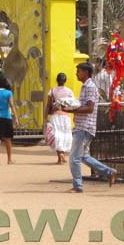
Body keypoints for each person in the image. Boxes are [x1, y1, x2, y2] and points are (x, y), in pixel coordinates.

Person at [65, 62, 117, 193]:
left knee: (74, 158)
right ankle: (109, 172)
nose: (77, 73)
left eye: (79, 71)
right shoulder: (86, 86)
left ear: (86, 73)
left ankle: (78, 186)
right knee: (83, 156)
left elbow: (90, 108)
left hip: (85, 126)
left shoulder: (89, 87)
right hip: (83, 125)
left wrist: (72, 110)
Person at [0, 76, 19, 165]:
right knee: (7, 139)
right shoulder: (8, 93)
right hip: (7, 117)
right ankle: (9, 159)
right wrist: (15, 117)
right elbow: (12, 105)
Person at [46, 72, 75, 164]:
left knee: (57, 135)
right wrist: (75, 115)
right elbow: (72, 105)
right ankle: (62, 155)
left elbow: (48, 105)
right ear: (65, 81)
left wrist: (45, 116)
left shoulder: (52, 91)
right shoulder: (69, 91)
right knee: (65, 135)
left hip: (55, 115)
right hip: (66, 116)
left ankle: (60, 156)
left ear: (57, 80)